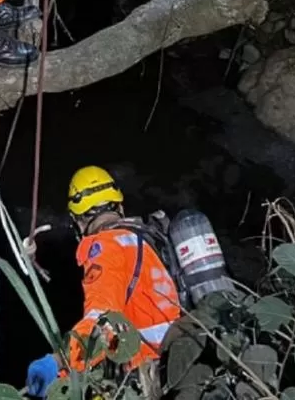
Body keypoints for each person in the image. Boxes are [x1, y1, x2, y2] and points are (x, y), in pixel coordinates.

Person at [26, 166, 182, 397]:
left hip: (144, 376)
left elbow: (101, 323)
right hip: (177, 364)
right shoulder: (148, 240)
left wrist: (57, 362)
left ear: (78, 221)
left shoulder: (106, 248)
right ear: (119, 206)